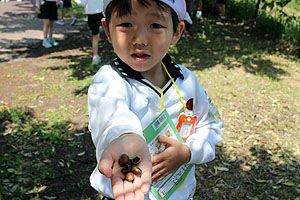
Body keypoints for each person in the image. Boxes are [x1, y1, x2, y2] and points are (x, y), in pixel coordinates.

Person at [88, 0, 223, 199]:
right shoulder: (108, 81)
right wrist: (126, 136)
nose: (140, 39)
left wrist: (187, 152)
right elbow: (111, 115)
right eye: (126, 24)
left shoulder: (187, 82)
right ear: (107, 30)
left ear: (177, 31)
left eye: (155, 25)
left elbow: (210, 126)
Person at [75, 0, 103, 65]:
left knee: (95, 36)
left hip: (92, 15)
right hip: (102, 13)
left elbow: (82, 3)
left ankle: (95, 56)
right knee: (111, 34)